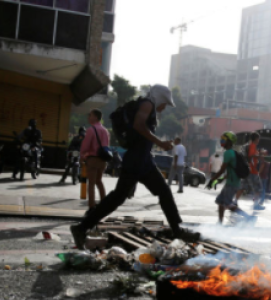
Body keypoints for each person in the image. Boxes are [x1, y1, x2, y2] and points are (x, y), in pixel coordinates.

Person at [70, 85, 199, 248]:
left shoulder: (148, 106)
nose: (164, 107)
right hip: (137, 160)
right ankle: (82, 227)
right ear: (159, 97)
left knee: (162, 192)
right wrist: (159, 142)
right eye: (165, 103)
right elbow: (138, 125)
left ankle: (176, 230)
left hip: (144, 160)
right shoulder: (147, 104)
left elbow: (141, 132)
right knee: (119, 197)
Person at [207, 132, 256, 225]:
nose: (222, 141)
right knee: (220, 202)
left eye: (224, 139)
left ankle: (249, 218)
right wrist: (221, 179)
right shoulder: (232, 152)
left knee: (227, 204)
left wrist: (212, 180)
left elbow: (222, 170)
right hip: (232, 182)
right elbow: (230, 170)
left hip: (232, 184)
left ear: (229, 142)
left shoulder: (228, 153)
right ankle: (220, 223)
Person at [80, 110, 109, 209]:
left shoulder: (91, 130)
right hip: (103, 159)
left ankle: (92, 206)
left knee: (91, 183)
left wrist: (82, 155)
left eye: (90, 115)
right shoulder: (105, 130)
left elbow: (85, 146)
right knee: (99, 181)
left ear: (95, 117)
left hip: (93, 159)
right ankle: (104, 204)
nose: (88, 117)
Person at [236, 132, 266, 210]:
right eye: (258, 139)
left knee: (242, 187)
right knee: (259, 188)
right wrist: (260, 156)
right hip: (253, 171)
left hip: (247, 170)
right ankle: (256, 205)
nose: (259, 140)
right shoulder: (252, 146)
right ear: (256, 139)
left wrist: (258, 155)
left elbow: (251, 157)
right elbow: (250, 157)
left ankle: (234, 202)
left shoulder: (250, 146)